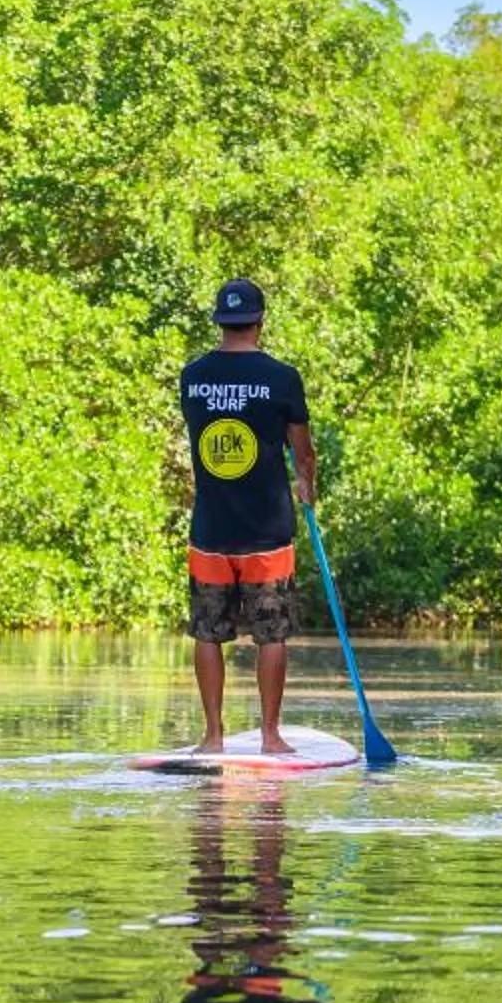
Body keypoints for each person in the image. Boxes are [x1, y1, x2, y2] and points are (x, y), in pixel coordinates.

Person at [178, 278, 316, 752]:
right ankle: (271, 737)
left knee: (208, 631)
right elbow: (303, 452)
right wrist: (307, 488)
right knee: (271, 633)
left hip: (211, 527)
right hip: (268, 530)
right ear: (260, 321)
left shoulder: (192, 376)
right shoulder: (283, 377)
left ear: (220, 321)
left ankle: (213, 737)